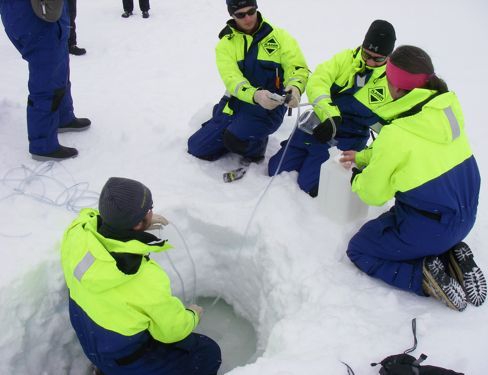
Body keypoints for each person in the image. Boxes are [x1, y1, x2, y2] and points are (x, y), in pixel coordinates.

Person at [341, 46, 487, 311]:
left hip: (429, 225)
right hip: (465, 214)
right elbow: (412, 149)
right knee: (423, 219)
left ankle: (423, 278)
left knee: (359, 248)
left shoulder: (396, 133)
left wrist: (357, 177)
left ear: (395, 86)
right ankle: (447, 251)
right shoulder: (447, 108)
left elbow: (374, 193)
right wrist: (363, 157)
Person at [61, 177, 222, 374]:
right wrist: (192, 315)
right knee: (207, 352)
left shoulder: (76, 232)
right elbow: (172, 331)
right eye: (149, 209)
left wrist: (136, 224)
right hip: (124, 358)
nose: (152, 211)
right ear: (137, 223)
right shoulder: (141, 277)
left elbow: (97, 219)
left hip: (92, 340)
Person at [268, 20, 396, 197]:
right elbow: (318, 81)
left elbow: (391, 129)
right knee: (275, 170)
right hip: (320, 123)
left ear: (389, 56)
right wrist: (329, 114)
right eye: (367, 55)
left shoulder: (394, 82)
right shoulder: (345, 59)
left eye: (378, 59)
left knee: (310, 186)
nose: (371, 62)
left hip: (349, 137)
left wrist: (369, 156)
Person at [187, 0, 308, 167]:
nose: (248, 18)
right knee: (196, 148)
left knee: (234, 138)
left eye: (251, 11)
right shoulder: (225, 44)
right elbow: (232, 79)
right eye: (241, 14)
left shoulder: (280, 37)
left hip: (268, 108)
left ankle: (255, 147)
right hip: (235, 103)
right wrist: (255, 95)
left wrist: (295, 88)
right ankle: (227, 128)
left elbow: (297, 68)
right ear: (231, 15)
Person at [0, 0, 91, 160]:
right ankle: (43, 145)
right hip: (33, 14)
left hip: (47, 11)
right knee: (47, 77)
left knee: (59, 67)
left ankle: (63, 117)